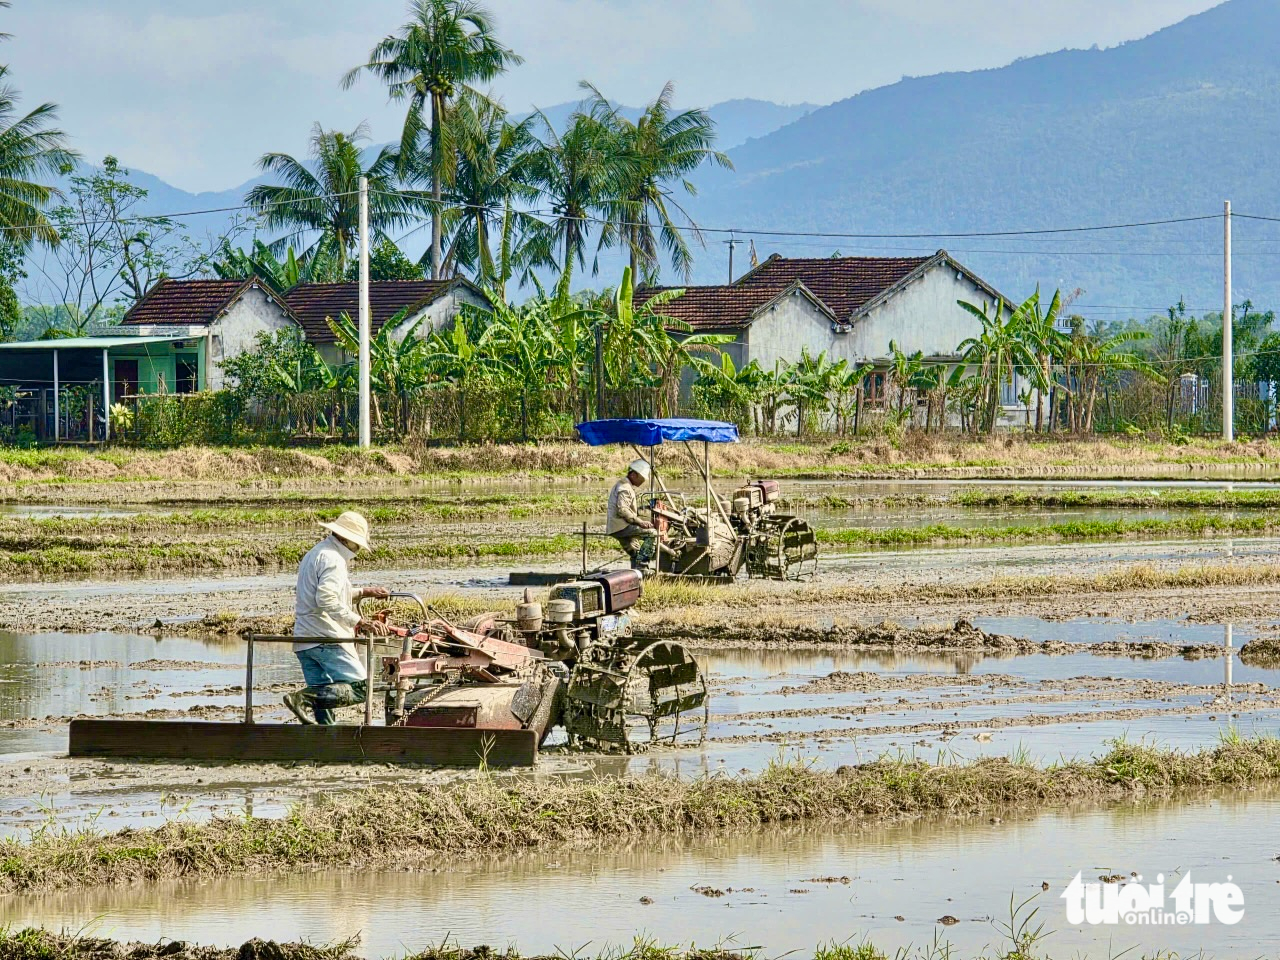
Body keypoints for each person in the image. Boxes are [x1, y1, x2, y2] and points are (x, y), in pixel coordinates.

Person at [283, 510, 391, 725]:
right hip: (327, 637)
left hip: (305, 639)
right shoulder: (334, 560)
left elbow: (323, 595)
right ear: (347, 539)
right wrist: (360, 622)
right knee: (362, 688)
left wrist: (364, 592)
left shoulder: (316, 553)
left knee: (323, 695)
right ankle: (300, 699)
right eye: (357, 544)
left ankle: (325, 740)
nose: (358, 549)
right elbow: (327, 601)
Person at [607, 459, 658, 571]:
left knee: (635, 552)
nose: (643, 480)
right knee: (652, 534)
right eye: (642, 477)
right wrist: (640, 522)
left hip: (615, 526)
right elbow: (623, 510)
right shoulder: (624, 487)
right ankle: (643, 567)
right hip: (621, 526)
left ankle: (636, 573)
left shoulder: (624, 485)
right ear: (634, 474)